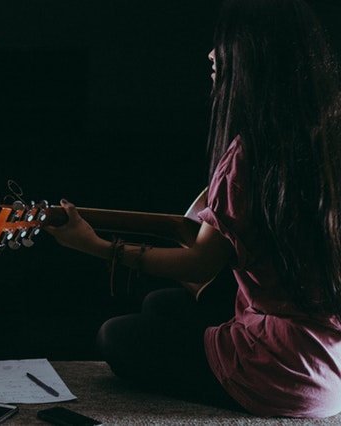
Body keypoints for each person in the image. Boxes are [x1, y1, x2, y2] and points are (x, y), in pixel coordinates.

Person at [45, 0, 341, 419]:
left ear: (253, 54)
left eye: (223, 44)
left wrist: (93, 245)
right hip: (332, 360)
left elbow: (200, 265)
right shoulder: (327, 138)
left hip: (283, 373)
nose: (211, 55)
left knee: (115, 336)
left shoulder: (252, 155)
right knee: (161, 306)